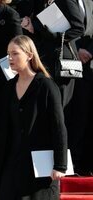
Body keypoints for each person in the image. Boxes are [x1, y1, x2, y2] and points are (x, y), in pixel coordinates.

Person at [0, 35, 67, 200]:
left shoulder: (46, 86)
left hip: (37, 167)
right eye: (8, 54)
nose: (10, 58)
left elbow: (58, 127)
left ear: (29, 55)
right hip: (10, 162)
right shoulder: (9, 87)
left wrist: (60, 165)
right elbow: (1, 120)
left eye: (15, 53)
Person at [68, 0, 93, 175]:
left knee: (86, 115)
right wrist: (76, 49)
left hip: (89, 66)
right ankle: (72, 163)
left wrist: (89, 50)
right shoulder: (63, 2)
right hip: (68, 63)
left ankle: (85, 164)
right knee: (71, 114)